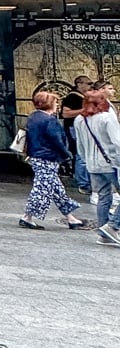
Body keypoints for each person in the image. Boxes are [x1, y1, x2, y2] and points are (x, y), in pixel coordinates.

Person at [19, 90, 85, 232]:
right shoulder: (49, 121)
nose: (57, 105)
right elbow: (57, 141)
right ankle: (27, 216)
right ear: (49, 104)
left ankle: (70, 217)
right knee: (42, 188)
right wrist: (66, 154)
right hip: (48, 157)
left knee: (56, 188)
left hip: (36, 156)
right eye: (55, 102)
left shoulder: (33, 117)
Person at [74, 87, 120, 244]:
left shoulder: (80, 119)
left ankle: (104, 232)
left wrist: (86, 160)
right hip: (111, 164)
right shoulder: (107, 118)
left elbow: (79, 145)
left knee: (103, 197)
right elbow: (117, 143)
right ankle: (112, 226)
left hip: (92, 165)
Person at [62, 75, 92, 192]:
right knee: (80, 154)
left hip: (82, 128)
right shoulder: (72, 97)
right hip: (74, 128)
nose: (89, 86)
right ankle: (82, 182)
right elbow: (65, 114)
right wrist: (84, 111)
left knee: (82, 154)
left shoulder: (84, 97)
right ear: (79, 83)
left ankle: (84, 181)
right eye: (87, 83)